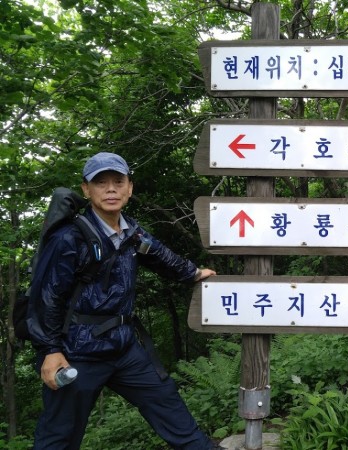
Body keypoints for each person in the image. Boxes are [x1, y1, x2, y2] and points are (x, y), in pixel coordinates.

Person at [28, 152, 219, 449]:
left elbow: (160, 255)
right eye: (100, 183)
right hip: (77, 351)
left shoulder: (131, 232)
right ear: (86, 190)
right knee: (59, 435)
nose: (111, 189)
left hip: (123, 346)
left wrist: (193, 273)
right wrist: (50, 350)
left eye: (118, 182)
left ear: (129, 188)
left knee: (167, 404)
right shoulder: (68, 238)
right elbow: (47, 296)